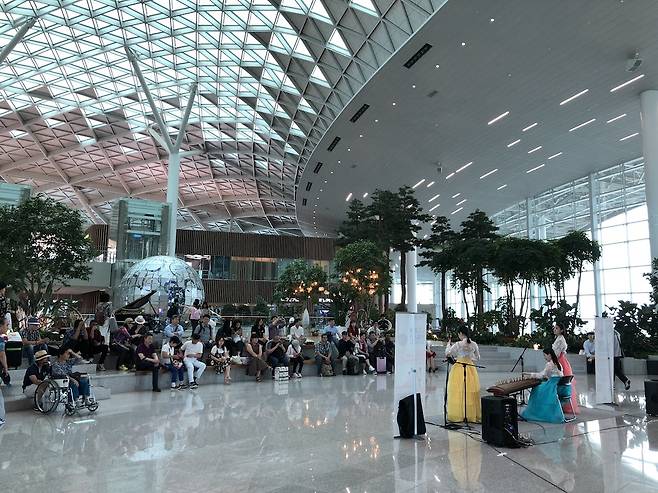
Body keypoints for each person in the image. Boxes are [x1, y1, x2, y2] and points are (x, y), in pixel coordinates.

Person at [445, 326, 481, 423]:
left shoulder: (458, 344)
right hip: (470, 367)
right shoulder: (474, 344)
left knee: (458, 390)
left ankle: (459, 414)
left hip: (459, 367)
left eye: (458, 334)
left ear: (461, 333)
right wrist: (469, 357)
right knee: (469, 390)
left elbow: (448, 353)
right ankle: (470, 414)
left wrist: (448, 345)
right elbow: (478, 358)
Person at [521, 348, 565, 423]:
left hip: (551, 385)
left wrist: (529, 374)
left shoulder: (549, 364)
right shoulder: (558, 363)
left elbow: (542, 375)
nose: (544, 358)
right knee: (540, 386)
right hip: (558, 384)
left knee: (536, 389)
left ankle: (535, 413)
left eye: (545, 355)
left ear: (549, 355)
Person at [552, 323, 579, 414]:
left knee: (560, 382)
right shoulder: (558, 338)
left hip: (560, 361)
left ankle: (562, 406)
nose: (554, 329)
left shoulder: (560, 340)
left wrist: (551, 361)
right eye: (554, 328)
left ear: (561, 330)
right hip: (560, 360)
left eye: (557, 328)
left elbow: (556, 354)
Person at [0, 318, 7, 429]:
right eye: (6, 325)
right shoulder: (0, 340)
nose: (7, 327)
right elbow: (1, 355)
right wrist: (6, 367)